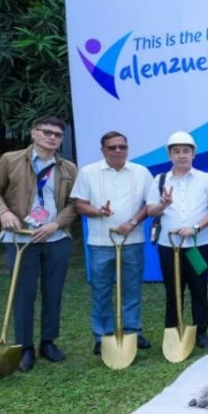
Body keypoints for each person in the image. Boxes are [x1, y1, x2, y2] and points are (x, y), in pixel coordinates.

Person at [0, 116, 79, 372]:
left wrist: (56, 224)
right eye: (46, 132)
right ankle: (24, 347)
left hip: (55, 237)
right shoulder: (10, 160)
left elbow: (74, 204)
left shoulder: (68, 168)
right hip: (21, 238)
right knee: (23, 294)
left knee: (53, 291)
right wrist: (4, 213)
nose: (52, 137)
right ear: (33, 133)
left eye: (57, 135)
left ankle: (48, 342)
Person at [71, 131, 155, 356]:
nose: (118, 151)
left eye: (122, 147)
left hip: (133, 239)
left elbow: (150, 204)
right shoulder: (88, 172)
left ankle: (133, 332)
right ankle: (103, 336)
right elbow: (79, 204)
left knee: (132, 289)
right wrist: (98, 211)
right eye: (112, 148)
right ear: (103, 150)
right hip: (100, 241)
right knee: (100, 289)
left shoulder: (141, 172)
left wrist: (133, 222)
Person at [145, 131, 208, 349]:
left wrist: (196, 228)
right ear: (169, 155)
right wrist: (163, 205)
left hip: (198, 246)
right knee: (173, 289)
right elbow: (151, 210)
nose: (181, 156)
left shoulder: (205, 179)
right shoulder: (160, 180)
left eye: (185, 151)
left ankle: (201, 331)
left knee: (199, 288)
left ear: (193, 154)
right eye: (176, 151)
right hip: (169, 247)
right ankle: (173, 328)